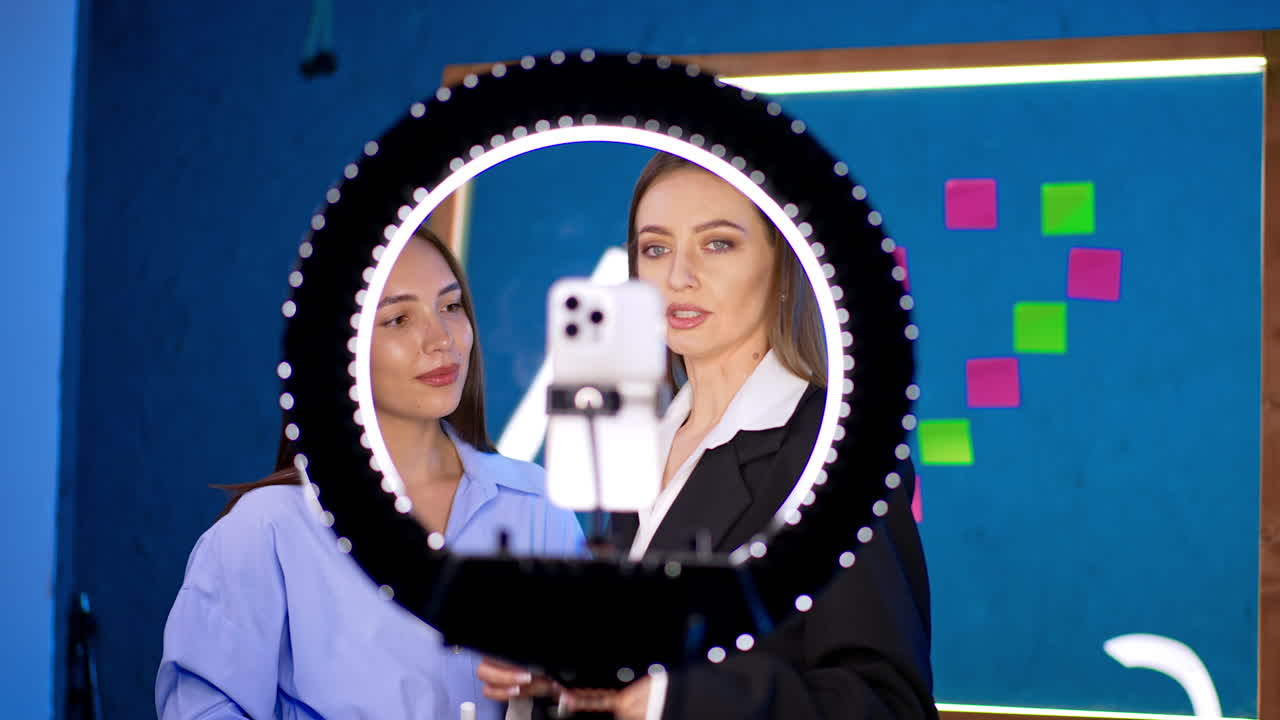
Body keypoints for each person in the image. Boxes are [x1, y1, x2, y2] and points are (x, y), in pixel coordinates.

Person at [481, 152, 935, 720]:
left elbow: (889, 706)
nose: (678, 277)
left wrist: (671, 699)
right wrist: (555, 672)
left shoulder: (840, 454)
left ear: (785, 266)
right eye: (655, 248)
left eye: (717, 243)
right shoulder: (632, 445)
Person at [155, 226, 585, 720]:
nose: (440, 339)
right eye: (399, 319)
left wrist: (561, 688)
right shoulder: (268, 529)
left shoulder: (536, 505)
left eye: (450, 306)